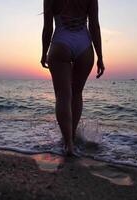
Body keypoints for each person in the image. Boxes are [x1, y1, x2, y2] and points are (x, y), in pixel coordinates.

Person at [41, 0, 105, 156]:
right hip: (84, 46)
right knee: (76, 94)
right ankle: (72, 138)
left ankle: (68, 143)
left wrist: (44, 52)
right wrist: (100, 56)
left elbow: (48, 27)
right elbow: (94, 26)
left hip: (60, 42)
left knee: (63, 96)